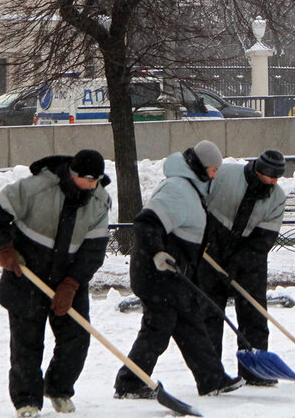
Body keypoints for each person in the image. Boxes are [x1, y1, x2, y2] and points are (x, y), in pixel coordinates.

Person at [0, 149, 112, 418]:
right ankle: (27, 401)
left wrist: (72, 284)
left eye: (97, 180)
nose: (93, 185)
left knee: (76, 338)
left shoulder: (99, 200)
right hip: (27, 274)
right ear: (74, 174)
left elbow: (94, 249)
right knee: (27, 343)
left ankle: (59, 389)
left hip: (69, 276)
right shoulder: (36, 187)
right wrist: (4, 248)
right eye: (89, 179)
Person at [114, 140, 245, 400]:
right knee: (157, 328)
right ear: (200, 167)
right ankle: (129, 382)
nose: (215, 175)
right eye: (213, 170)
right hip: (158, 275)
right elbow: (145, 223)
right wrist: (158, 252)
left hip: (175, 277)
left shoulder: (192, 189)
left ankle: (212, 379)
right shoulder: (177, 189)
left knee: (191, 326)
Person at [196, 149, 287, 386]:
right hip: (210, 252)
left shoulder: (277, 197)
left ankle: (255, 371)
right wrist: (210, 249)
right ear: (259, 171)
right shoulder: (225, 175)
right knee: (210, 315)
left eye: (279, 178)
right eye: (272, 177)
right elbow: (201, 210)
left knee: (254, 314)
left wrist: (238, 264)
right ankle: (211, 374)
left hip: (250, 261)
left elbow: (264, 240)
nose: (275, 183)